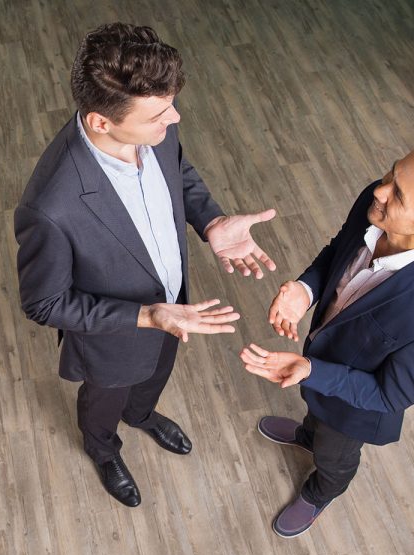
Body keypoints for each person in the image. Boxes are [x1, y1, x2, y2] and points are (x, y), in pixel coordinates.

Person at [15, 23, 276, 507]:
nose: (174, 118)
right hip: (114, 337)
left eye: (170, 105)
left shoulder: (157, 125)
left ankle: (141, 415)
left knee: (154, 375)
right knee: (103, 403)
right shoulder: (50, 208)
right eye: (159, 113)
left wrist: (211, 221)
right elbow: (43, 303)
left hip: (174, 307)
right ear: (101, 122)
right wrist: (146, 315)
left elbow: (177, 169)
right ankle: (103, 449)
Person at [240, 150, 414, 537]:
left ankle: (321, 491)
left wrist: (311, 371)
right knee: (314, 414)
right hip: (318, 368)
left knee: (335, 457)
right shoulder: (375, 205)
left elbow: (388, 395)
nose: (380, 190)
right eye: (391, 173)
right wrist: (306, 290)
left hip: (355, 409)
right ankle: (307, 436)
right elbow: (338, 251)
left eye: (398, 195)